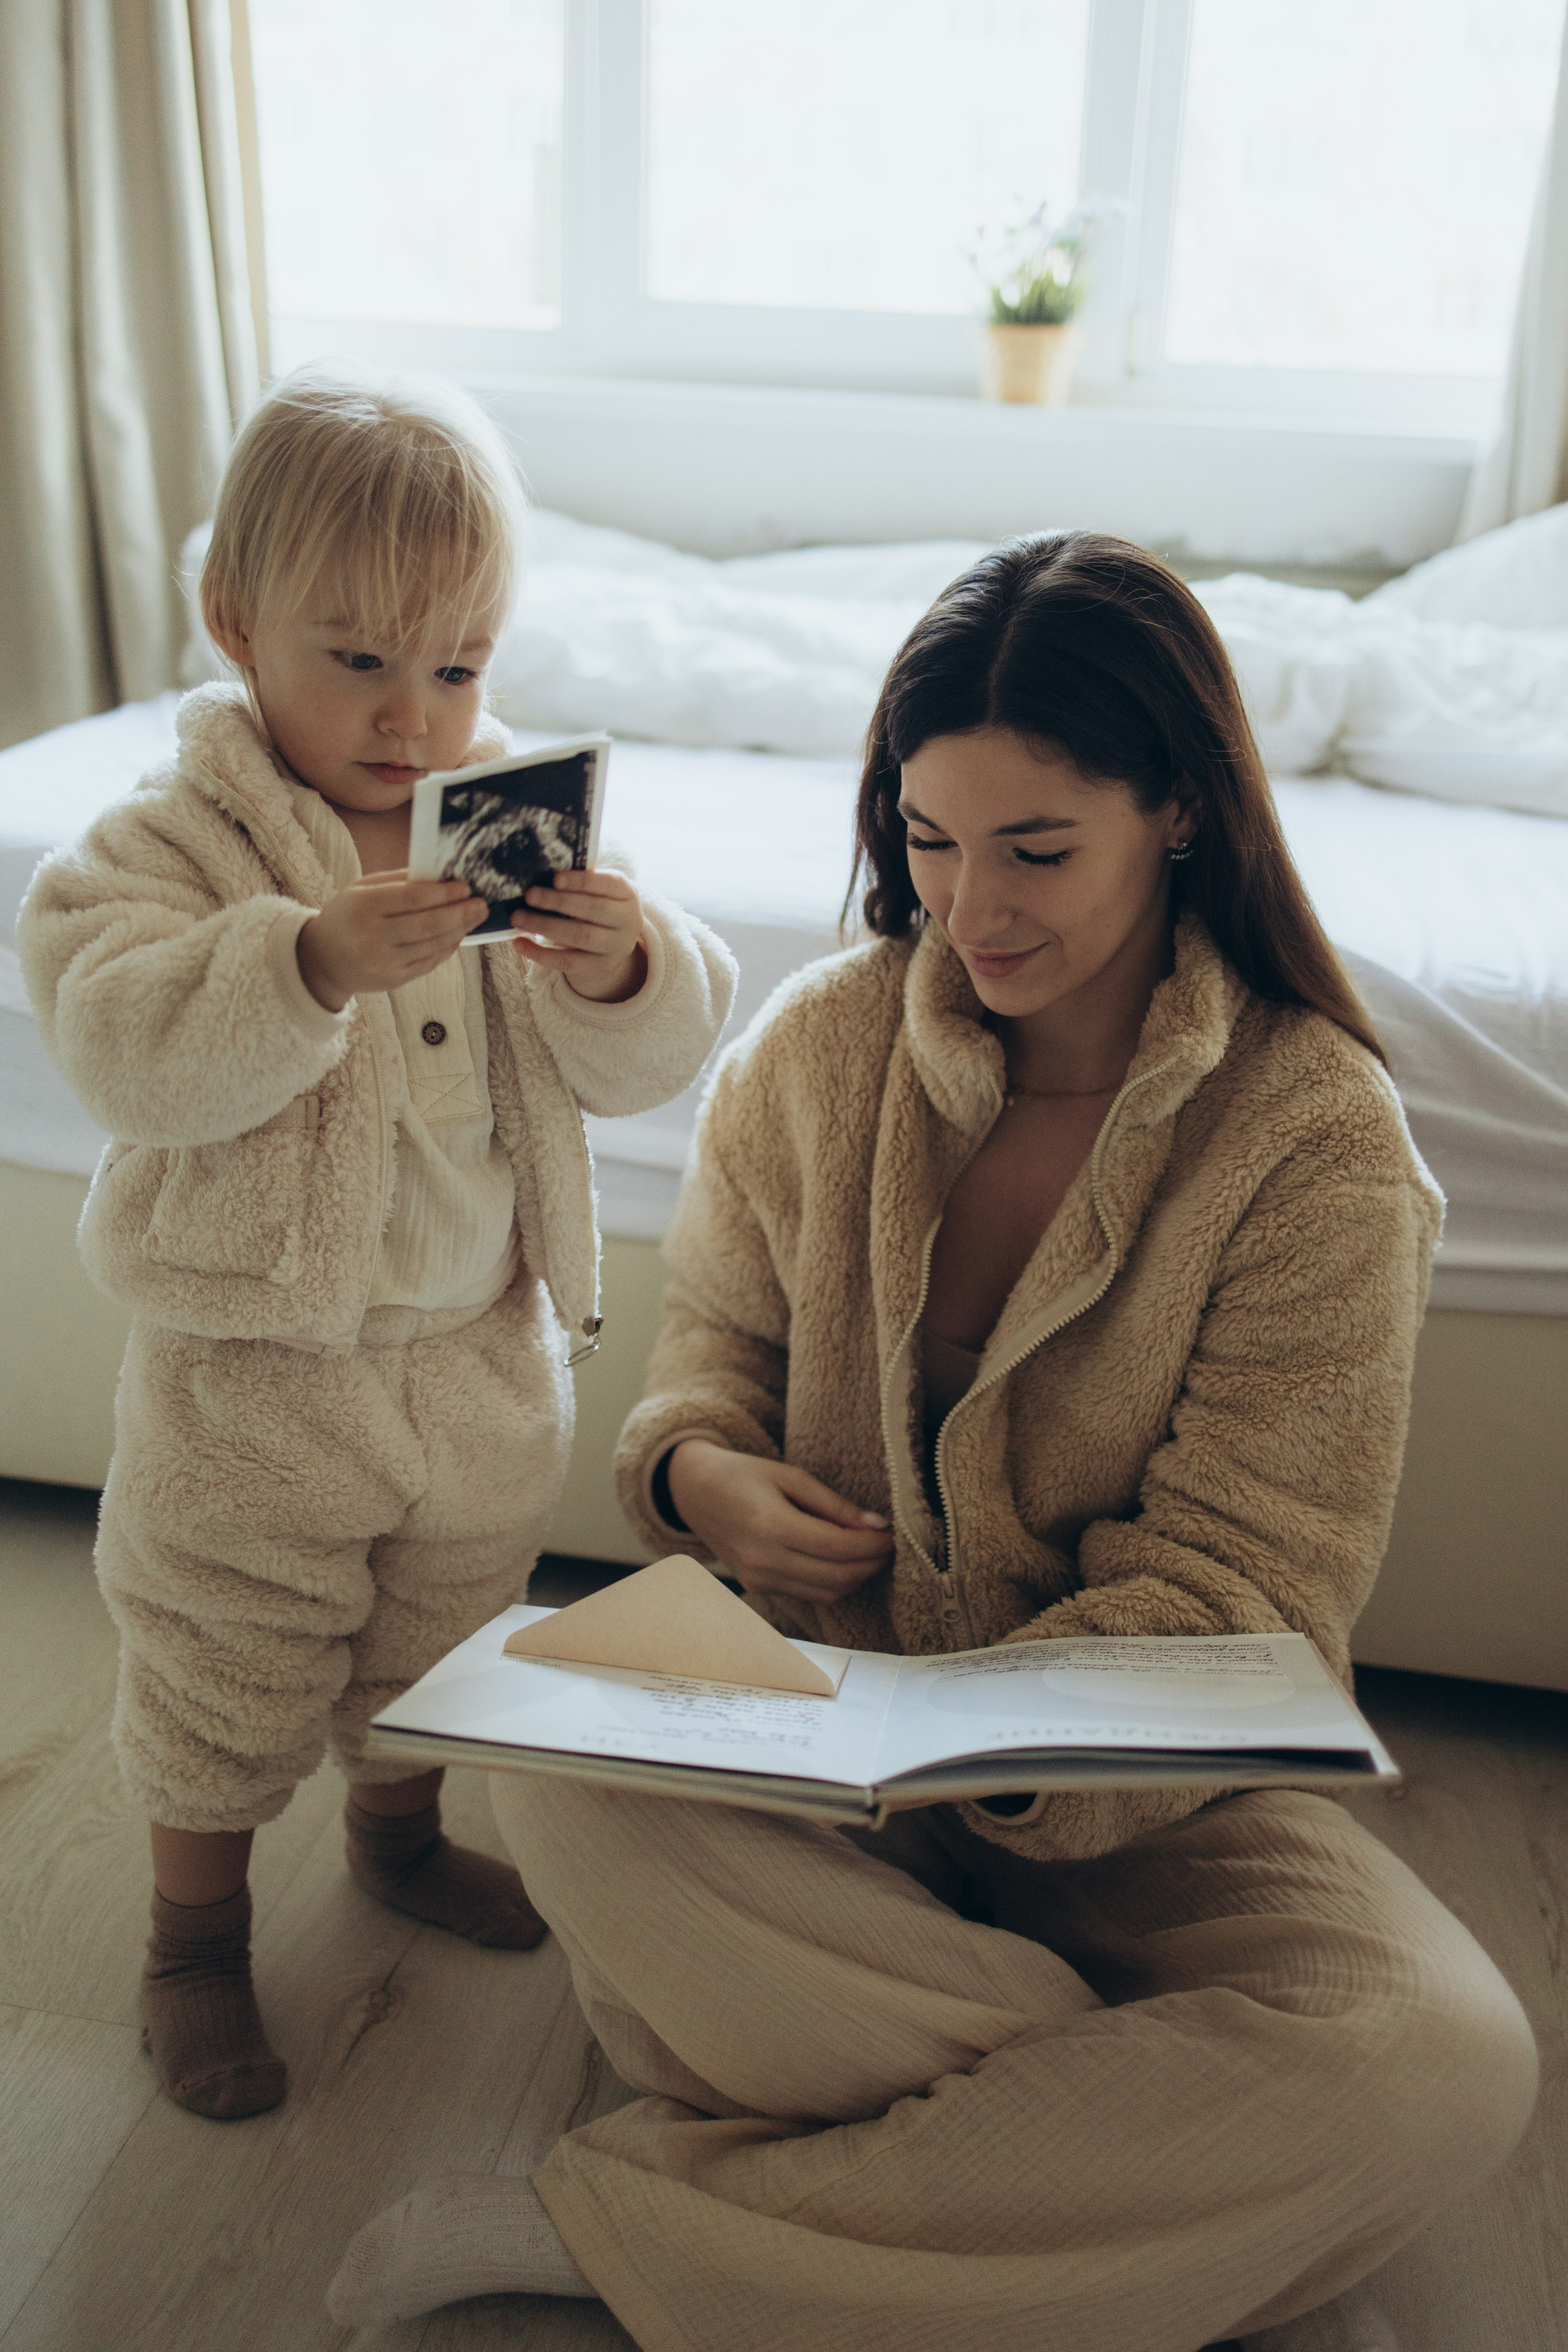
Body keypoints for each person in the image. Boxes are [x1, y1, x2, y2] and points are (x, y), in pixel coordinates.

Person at [326, 534, 1536, 2351]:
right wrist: (706, 1482)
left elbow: (1254, 1585)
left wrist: (978, 1744)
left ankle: (619, 2225)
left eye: (1037, 849)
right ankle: (1181, 2201)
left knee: (1448, 2061)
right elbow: (703, 1370)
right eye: (929, 837)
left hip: (1140, 1808)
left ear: (1183, 814)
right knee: (562, 1785)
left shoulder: (1318, 1142)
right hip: (800, 1731)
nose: (970, 907)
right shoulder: (821, 1047)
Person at [17, 367, 736, 2123]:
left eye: (460, 666)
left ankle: (396, 1835)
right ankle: (193, 1936)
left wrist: (629, 965)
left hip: (481, 1349)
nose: (416, 717)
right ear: (233, 622)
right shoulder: (163, 847)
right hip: (255, 1374)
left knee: (441, 1631)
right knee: (224, 1655)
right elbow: (113, 1032)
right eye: (358, 661)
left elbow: (646, 1055)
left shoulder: (513, 825)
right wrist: (305, 964)